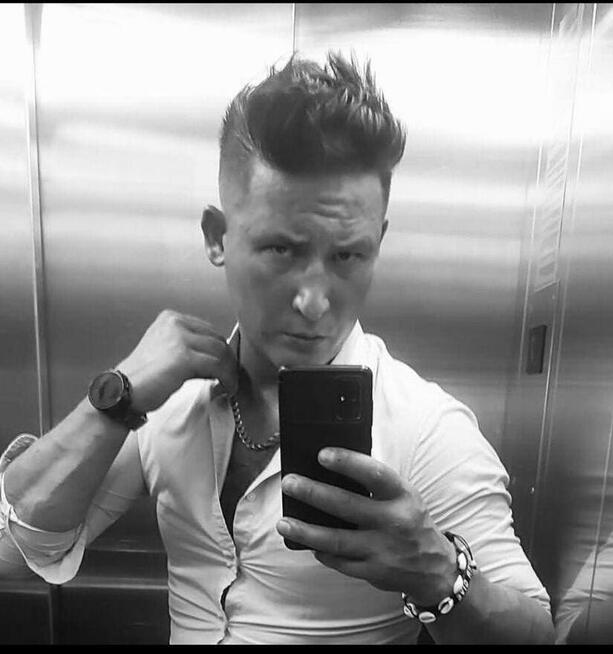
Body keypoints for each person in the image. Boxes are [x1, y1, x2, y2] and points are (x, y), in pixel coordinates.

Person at [0, 52, 554, 644]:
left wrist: (439, 575)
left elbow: (537, 634)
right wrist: (114, 401)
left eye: (348, 255)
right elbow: (15, 552)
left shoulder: (425, 427)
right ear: (218, 237)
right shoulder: (165, 400)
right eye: (282, 250)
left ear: (378, 240)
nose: (314, 302)